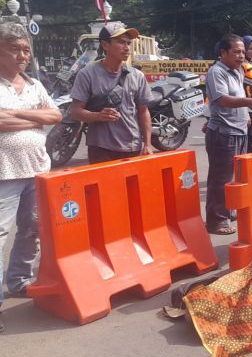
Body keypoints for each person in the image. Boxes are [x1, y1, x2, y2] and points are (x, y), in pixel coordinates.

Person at [0, 23, 62, 333]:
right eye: (15, 49)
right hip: (4, 174)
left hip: (37, 170)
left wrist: (15, 116)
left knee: (31, 230)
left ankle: (19, 281)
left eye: (26, 50)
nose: (23, 55)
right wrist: (34, 117)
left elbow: (55, 116)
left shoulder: (35, 84)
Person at [69, 24, 153, 164]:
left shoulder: (137, 76)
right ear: (105, 45)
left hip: (132, 146)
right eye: (121, 42)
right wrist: (98, 116)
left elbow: (143, 111)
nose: (126, 47)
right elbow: (74, 111)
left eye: (128, 43)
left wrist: (148, 144)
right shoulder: (87, 74)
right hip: (101, 148)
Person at [205, 34, 252, 235]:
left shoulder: (237, 71)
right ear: (223, 52)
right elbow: (223, 99)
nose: (241, 56)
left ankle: (228, 211)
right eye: (236, 52)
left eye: (243, 52)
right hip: (224, 133)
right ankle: (216, 220)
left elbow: (239, 95)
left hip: (239, 129)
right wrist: (249, 104)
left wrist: (245, 115)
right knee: (221, 178)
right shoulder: (216, 72)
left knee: (235, 176)